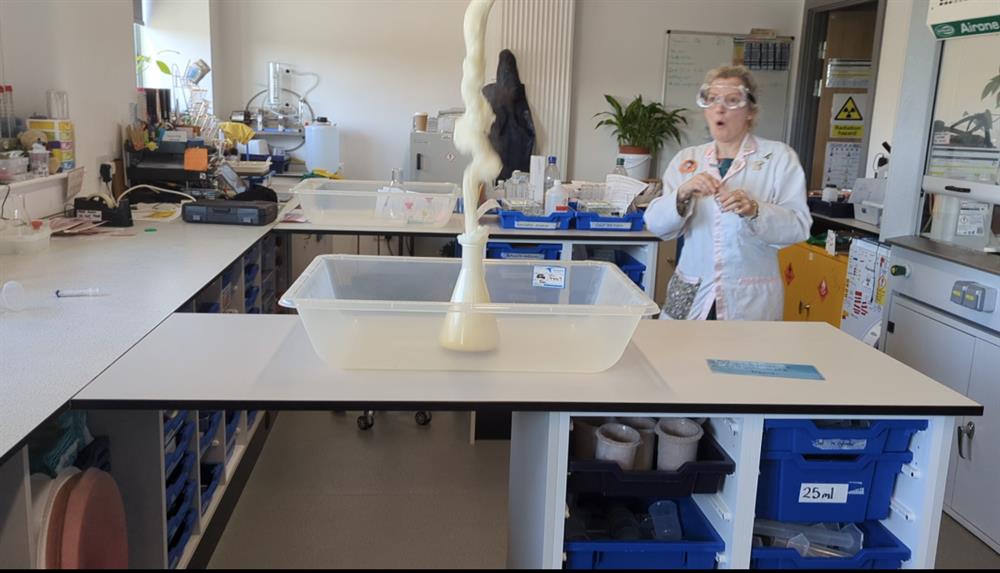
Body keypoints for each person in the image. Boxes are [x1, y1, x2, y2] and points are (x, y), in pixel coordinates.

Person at [644, 65, 811, 321]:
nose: (719, 109)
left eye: (732, 101)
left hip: (749, 296)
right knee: (682, 347)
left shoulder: (778, 157)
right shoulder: (688, 159)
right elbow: (656, 226)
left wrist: (755, 210)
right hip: (693, 289)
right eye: (712, 99)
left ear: (751, 111)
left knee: (742, 348)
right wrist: (682, 194)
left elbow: (798, 227)